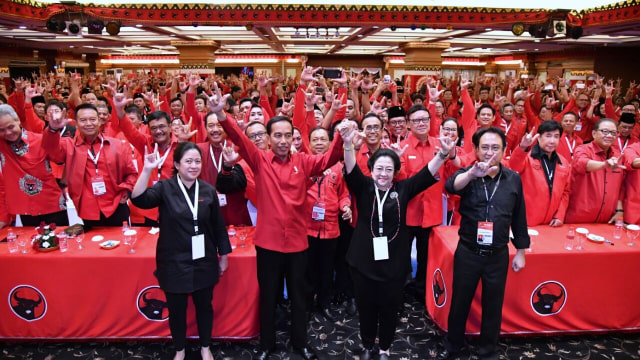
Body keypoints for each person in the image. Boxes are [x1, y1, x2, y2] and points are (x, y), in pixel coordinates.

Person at [208, 84, 345, 360]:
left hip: (297, 244)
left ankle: (300, 344)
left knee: (299, 298)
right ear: (269, 139)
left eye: (287, 136)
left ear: (293, 139)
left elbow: (331, 157)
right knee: (268, 297)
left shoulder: (305, 162)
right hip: (268, 245)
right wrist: (220, 114)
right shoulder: (260, 160)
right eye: (277, 136)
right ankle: (267, 345)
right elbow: (237, 134)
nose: (282, 140)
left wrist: (343, 136)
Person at [338, 119, 453, 360]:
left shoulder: (403, 190)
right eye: (379, 168)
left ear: (395, 172)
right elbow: (350, 168)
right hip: (363, 262)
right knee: (366, 307)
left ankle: (385, 346)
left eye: (389, 169)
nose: (383, 174)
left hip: (393, 264)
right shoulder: (364, 186)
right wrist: (348, 144)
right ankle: (368, 344)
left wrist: (443, 153)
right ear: (371, 169)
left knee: (389, 308)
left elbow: (426, 174)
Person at [131, 141, 231, 360]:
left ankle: (206, 347)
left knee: (204, 307)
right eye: (188, 161)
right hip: (173, 261)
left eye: (197, 161)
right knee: (176, 310)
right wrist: (147, 170)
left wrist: (223, 256)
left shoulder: (207, 189)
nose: (193, 166)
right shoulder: (164, 188)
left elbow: (218, 227)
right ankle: (180, 349)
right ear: (177, 164)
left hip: (204, 259)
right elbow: (138, 199)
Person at [440, 127, 529, 360]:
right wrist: (471, 174)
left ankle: (488, 350)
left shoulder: (513, 179)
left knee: (493, 305)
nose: (490, 152)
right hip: (468, 251)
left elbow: (519, 217)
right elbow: (450, 186)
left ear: (504, 150)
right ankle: (453, 345)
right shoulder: (469, 173)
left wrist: (521, 251)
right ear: (476, 150)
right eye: (485, 147)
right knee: (460, 301)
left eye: (495, 148)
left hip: (497, 254)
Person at [42, 103, 138, 226]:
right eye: (83, 120)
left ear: (99, 121)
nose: (88, 124)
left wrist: (126, 190)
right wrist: (53, 129)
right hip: (88, 209)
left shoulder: (117, 145)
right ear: (76, 123)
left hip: (116, 204)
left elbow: (132, 173)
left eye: (92, 119)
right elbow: (50, 149)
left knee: (122, 242)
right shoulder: (69, 146)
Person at [0, 104, 68, 226]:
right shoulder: (2, 145)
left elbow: (60, 157)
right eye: (1, 130)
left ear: (18, 121)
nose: (7, 132)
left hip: (52, 204)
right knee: (30, 243)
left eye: (10, 127)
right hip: (26, 208)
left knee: (61, 242)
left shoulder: (40, 140)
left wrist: (53, 130)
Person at [508, 120, 571, 226]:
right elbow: (514, 166)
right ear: (539, 137)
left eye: (556, 136)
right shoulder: (527, 157)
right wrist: (522, 147)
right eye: (548, 136)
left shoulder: (563, 162)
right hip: (526, 221)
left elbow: (566, 192)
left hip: (550, 223)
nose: (552, 141)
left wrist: (560, 215)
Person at [565, 118, 625, 224]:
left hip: (606, 220)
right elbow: (582, 164)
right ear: (594, 133)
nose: (609, 136)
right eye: (605, 131)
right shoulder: (583, 149)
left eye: (613, 133)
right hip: (579, 218)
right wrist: (604, 164)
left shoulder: (618, 156)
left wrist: (619, 210)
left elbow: (620, 187)